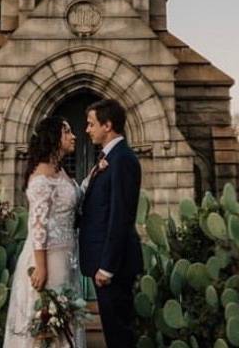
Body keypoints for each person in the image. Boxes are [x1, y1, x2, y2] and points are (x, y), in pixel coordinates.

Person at [4, 116, 86, 348]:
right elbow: (38, 224)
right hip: (48, 257)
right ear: (54, 138)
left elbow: (75, 197)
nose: (74, 136)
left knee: (65, 319)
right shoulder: (41, 176)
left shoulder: (59, 172)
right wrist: (41, 266)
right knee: (50, 320)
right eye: (67, 132)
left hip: (66, 255)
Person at [79, 99, 143, 348]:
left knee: (120, 336)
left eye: (91, 124)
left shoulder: (122, 159)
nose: (87, 130)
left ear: (108, 125)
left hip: (114, 266)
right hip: (106, 263)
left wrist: (107, 267)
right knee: (114, 333)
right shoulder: (110, 158)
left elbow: (120, 216)